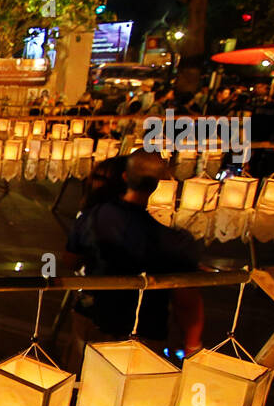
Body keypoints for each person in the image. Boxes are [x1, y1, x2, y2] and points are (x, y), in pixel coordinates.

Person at [64, 148, 205, 361]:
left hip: (91, 320)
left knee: (84, 384)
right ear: (157, 184)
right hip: (143, 332)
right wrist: (192, 344)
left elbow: (69, 261)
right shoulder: (173, 241)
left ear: (125, 176)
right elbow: (186, 302)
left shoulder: (93, 217)